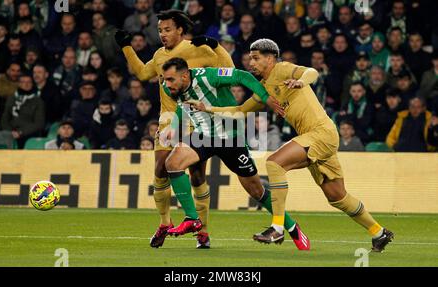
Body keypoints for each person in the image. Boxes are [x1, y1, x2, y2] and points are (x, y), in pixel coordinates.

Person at [197, 39, 394, 252]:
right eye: (249, 58)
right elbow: (240, 110)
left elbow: (311, 72)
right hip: (315, 138)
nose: (250, 62)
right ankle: (379, 232)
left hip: (320, 133)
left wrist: (302, 81)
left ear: (270, 58)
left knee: (275, 163)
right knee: (337, 197)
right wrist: (206, 108)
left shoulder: (282, 70)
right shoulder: (264, 86)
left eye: (256, 58)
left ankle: (278, 227)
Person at [160, 57, 309, 250]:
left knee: (256, 189)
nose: (166, 83)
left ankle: (291, 226)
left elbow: (242, 76)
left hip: (231, 137)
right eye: (165, 79)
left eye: (171, 79)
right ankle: (192, 219)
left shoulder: (209, 76)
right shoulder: (170, 87)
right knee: (173, 163)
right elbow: (183, 104)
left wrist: (267, 99)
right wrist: (174, 127)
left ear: (185, 75)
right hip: (203, 136)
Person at [114, 9, 235, 249]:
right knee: (160, 170)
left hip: (197, 119)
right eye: (160, 30)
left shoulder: (198, 49)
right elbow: (142, 72)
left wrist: (215, 45)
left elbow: (229, 69)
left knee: (197, 175)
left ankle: (203, 231)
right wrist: (127, 47)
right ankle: (164, 223)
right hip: (169, 120)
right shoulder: (159, 55)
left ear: (180, 30)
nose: (163, 34)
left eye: (167, 29)